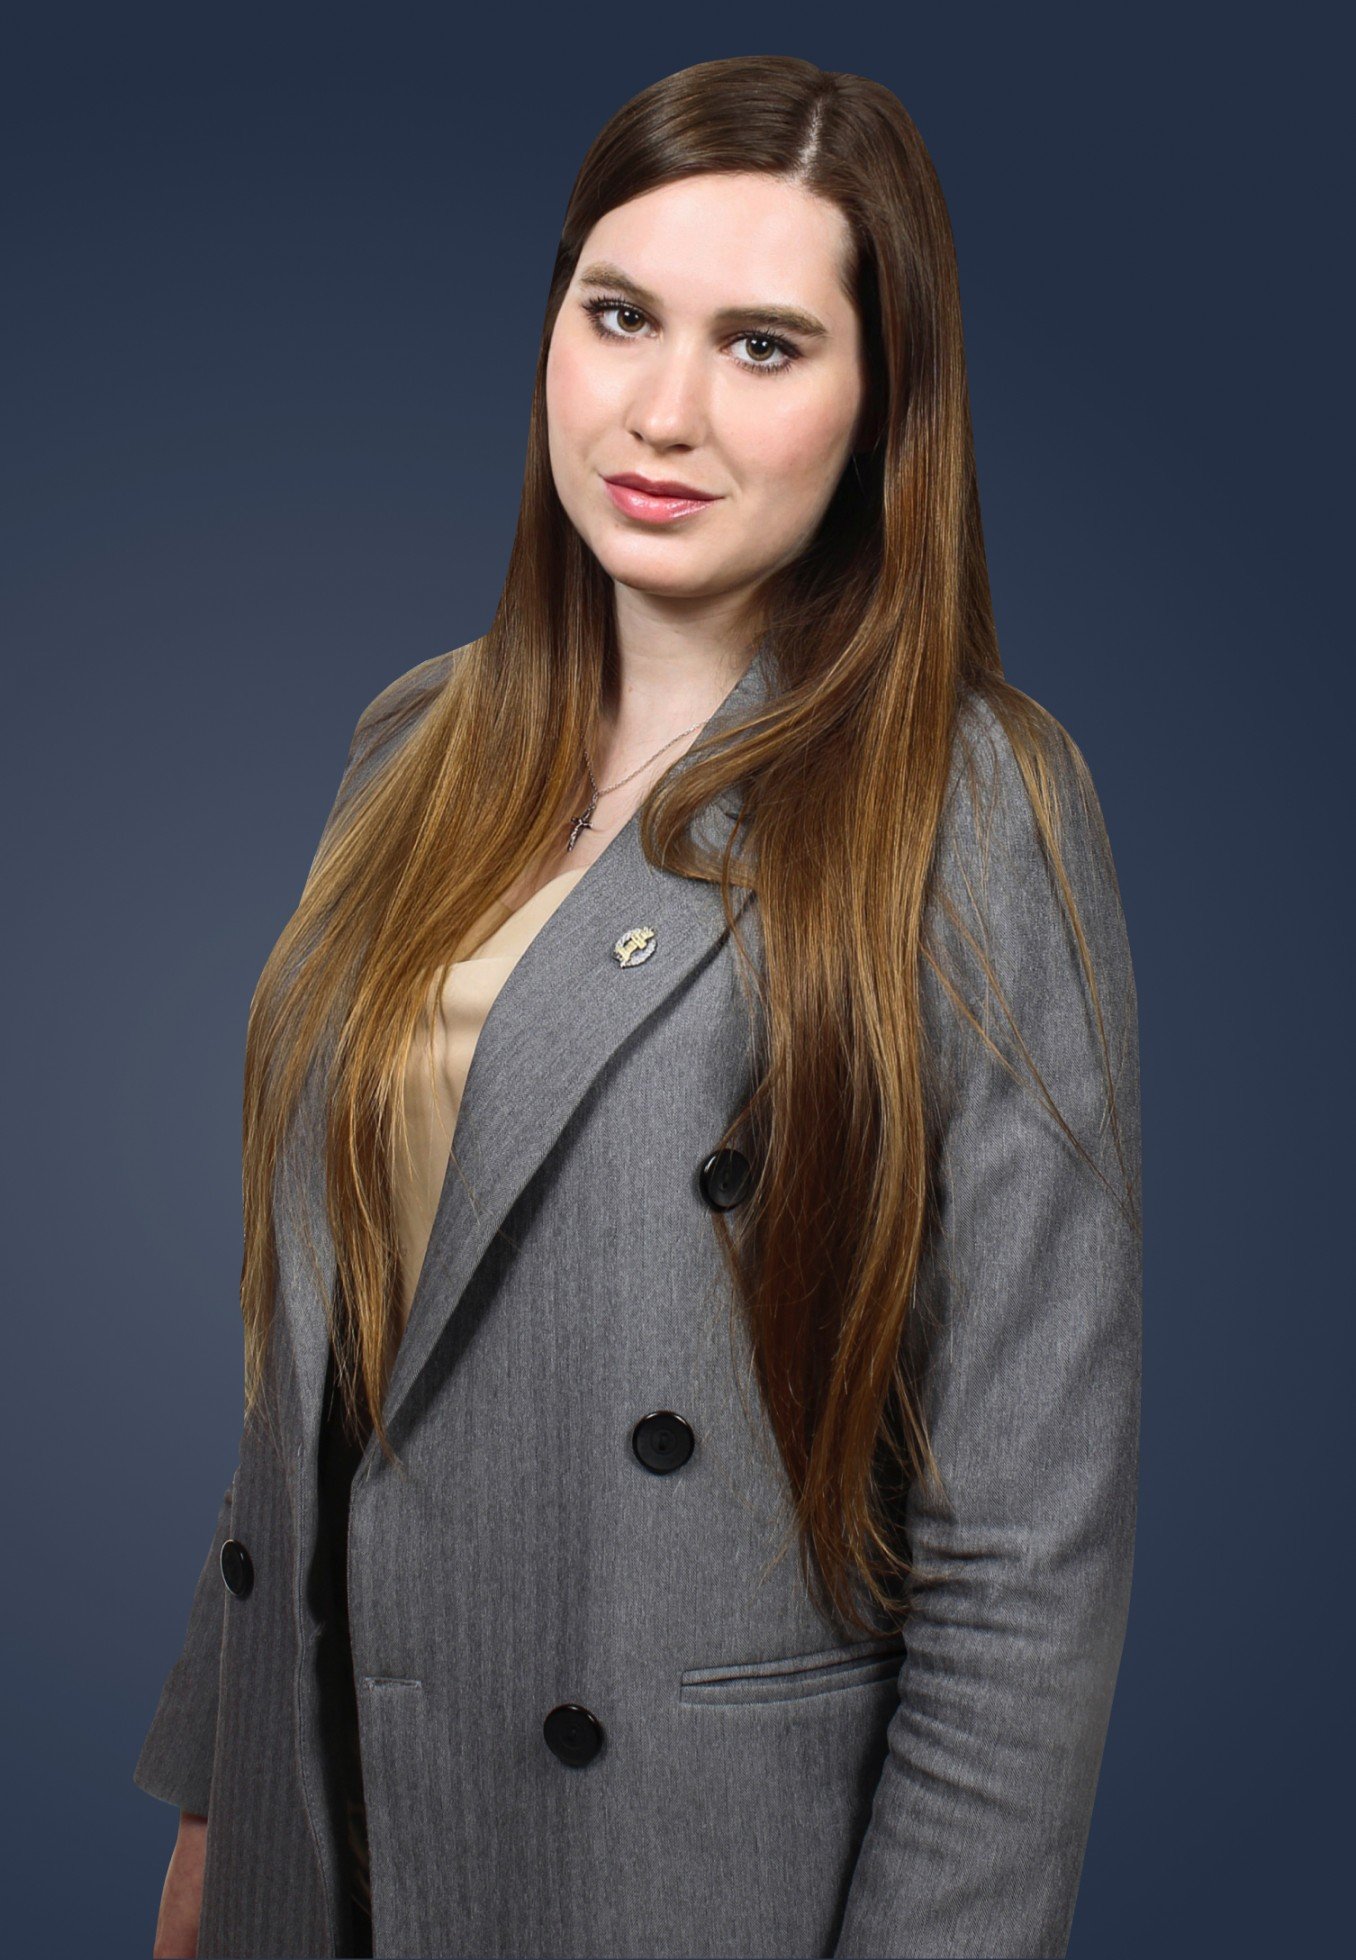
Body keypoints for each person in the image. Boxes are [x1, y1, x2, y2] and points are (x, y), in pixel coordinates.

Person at [137, 53, 1141, 1960]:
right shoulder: (417, 742)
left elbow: (1027, 1552)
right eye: (620, 316)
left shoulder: (969, 803)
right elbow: (328, 1369)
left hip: (666, 1869)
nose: (663, 411)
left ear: (884, 400)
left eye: (764, 345)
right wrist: (215, 1807)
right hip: (318, 1836)